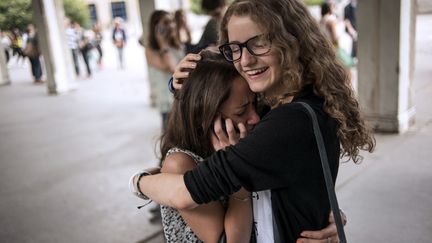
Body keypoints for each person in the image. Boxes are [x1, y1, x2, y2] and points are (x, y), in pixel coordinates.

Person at [136, 0, 375, 242]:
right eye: (235, 47)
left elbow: (184, 193)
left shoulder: (288, 122)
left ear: (291, 40)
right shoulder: (283, 102)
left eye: (259, 43)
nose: (245, 61)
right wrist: (183, 88)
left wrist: (138, 182)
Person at [145, 10, 184, 130]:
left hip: (183, 97)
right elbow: (172, 68)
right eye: (166, 22)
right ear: (156, 27)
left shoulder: (177, 45)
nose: (172, 25)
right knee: (171, 141)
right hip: (167, 102)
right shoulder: (151, 50)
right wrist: (162, 43)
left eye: (172, 21)